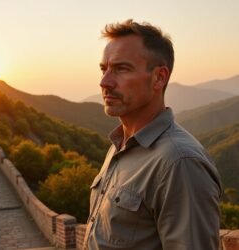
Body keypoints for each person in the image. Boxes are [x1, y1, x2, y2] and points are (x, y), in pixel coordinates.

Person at [83, 19, 222, 250]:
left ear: (159, 78)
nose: (104, 82)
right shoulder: (120, 146)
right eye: (104, 69)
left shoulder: (179, 163)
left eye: (121, 69)